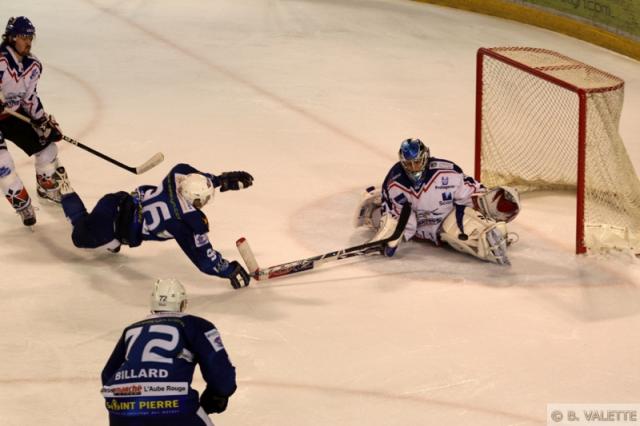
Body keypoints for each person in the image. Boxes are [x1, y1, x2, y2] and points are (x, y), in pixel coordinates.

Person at [59, 163, 253, 289]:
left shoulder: (176, 175)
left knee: (112, 243)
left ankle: (112, 243)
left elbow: (193, 176)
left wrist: (220, 180)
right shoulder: (186, 223)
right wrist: (229, 270)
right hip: (108, 227)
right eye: (202, 201)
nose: (203, 204)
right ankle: (65, 191)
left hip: (116, 200)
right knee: (79, 236)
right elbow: (205, 260)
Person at [354, 138, 521, 265]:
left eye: (417, 162)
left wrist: (486, 201)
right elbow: (403, 217)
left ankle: (486, 230)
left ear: (425, 157)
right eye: (409, 164)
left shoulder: (446, 172)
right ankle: (376, 204)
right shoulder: (395, 182)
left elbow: (469, 192)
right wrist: (393, 237)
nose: (414, 168)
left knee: (482, 242)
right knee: (377, 216)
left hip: (446, 220)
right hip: (419, 229)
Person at [101, 278, 237, 426]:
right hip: (173, 404)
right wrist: (219, 394)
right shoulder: (195, 324)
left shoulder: (131, 329)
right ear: (182, 303)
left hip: (122, 408)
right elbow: (220, 370)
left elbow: (108, 374)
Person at [0, 16, 69, 227]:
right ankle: (23, 206)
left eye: (30, 37)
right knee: (3, 165)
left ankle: (47, 186)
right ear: (11, 38)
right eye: (23, 36)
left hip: (12, 115)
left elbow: (30, 98)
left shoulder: (33, 65)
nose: (28, 41)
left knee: (48, 149)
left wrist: (41, 121)